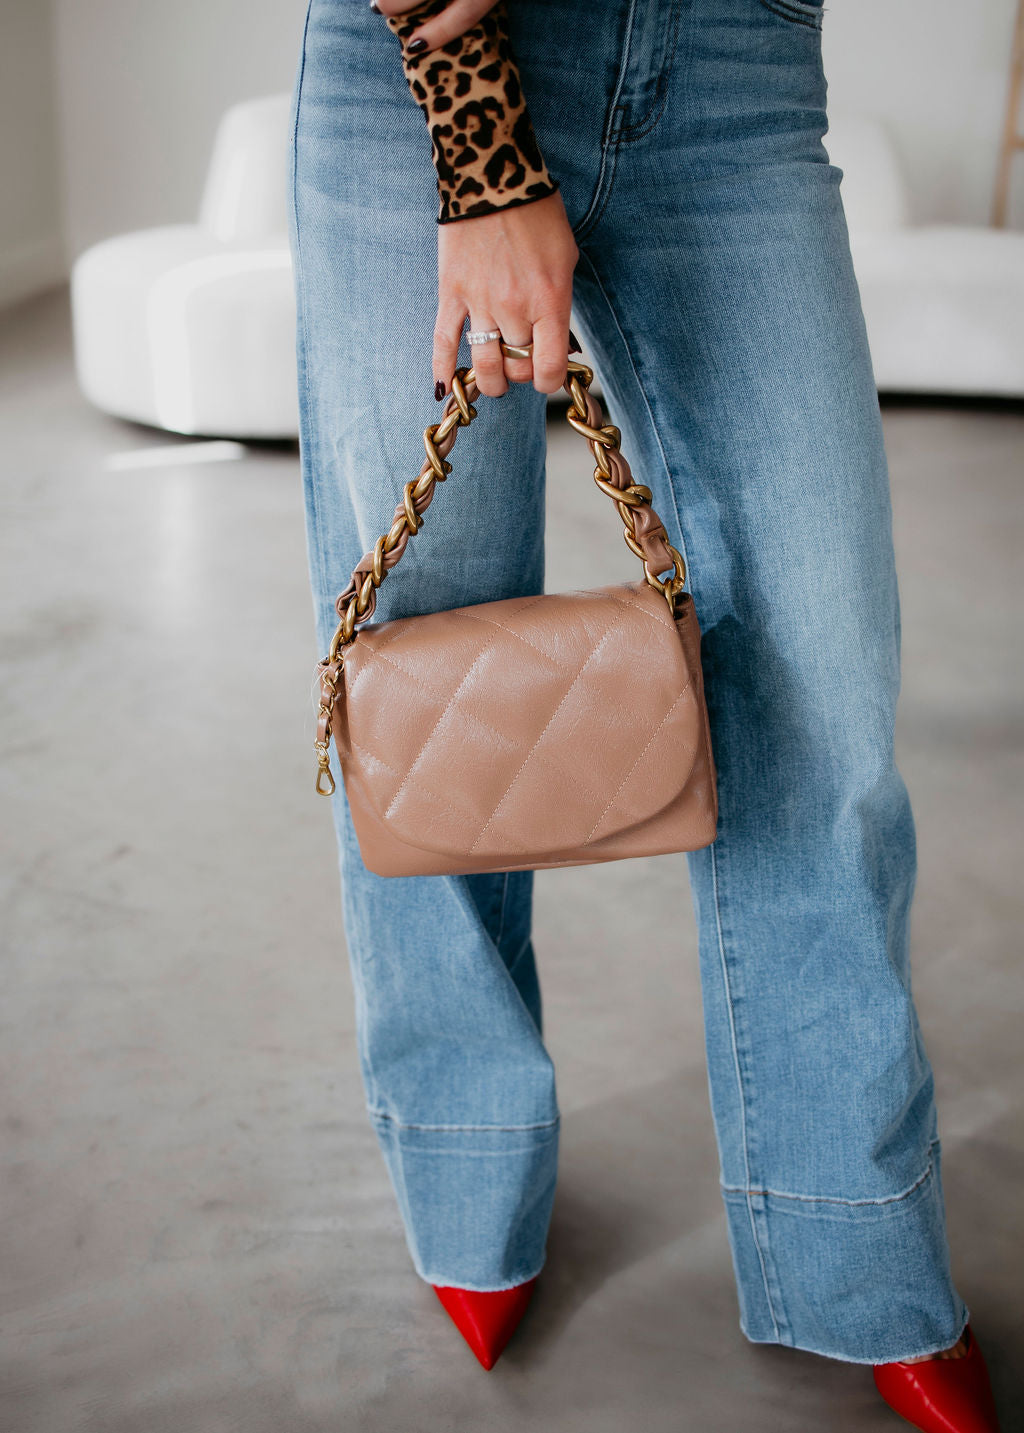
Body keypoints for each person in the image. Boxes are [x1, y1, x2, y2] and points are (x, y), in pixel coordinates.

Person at [286, 0, 1002, 1425]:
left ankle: (850, 1229)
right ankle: (467, 1160)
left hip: (738, 57)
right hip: (426, 69)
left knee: (818, 682)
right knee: (423, 676)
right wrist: (480, 150)